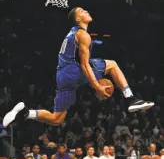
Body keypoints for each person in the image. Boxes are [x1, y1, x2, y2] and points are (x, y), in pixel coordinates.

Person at [3, 7, 154, 128]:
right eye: (82, 11)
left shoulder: (72, 33)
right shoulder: (83, 35)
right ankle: (131, 99)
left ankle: (24, 113)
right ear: (78, 19)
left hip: (61, 75)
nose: (86, 11)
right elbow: (84, 64)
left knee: (57, 119)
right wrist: (96, 86)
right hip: (71, 70)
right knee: (112, 65)